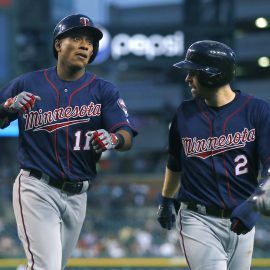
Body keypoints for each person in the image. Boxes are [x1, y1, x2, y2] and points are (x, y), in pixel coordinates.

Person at [0, 13, 137, 270]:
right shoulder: (28, 82)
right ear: (58, 44)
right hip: (37, 186)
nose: (85, 45)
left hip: (78, 194)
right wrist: (7, 107)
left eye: (90, 41)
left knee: (53, 267)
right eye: (76, 38)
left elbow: (126, 135)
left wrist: (114, 138)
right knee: (46, 267)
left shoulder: (103, 90)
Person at [157, 40, 270, 270]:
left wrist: (254, 205)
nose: (188, 78)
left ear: (212, 75)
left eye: (193, 72)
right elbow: (175, 162)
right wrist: (166, 199)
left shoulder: (257, 111)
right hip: (197, 219)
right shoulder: (184, 114)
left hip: (241, 219)